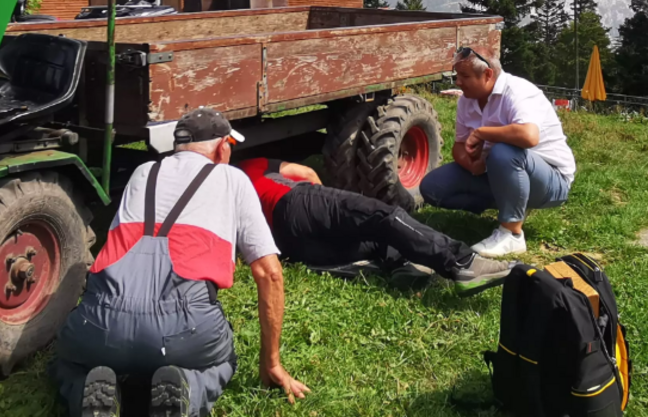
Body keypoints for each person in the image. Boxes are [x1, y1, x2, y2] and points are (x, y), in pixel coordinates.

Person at [51, 107, 309, 417]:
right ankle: (187, 387)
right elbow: (269, 274)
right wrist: (272, 363)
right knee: (221, 360)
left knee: (67, 360)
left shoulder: (143, 172)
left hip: (102, 316)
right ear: (222, 146)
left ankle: (85, 388)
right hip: (183, 326)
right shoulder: (232, 179)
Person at [237, 157, 513, 294]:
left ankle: (401, 263)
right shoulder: (251, 165)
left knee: (366, 241)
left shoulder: (218, 190)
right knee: (382, 217)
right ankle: (462, 263)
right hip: (294, 200)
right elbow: (306, 173)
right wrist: (329, 205)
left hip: (284, 242)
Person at [420, 47, 575, 257]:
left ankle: (511, 234)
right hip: (498, 171)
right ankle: (510, 204)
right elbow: (458, 146)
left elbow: (529, 137)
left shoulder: (519, 91)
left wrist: (484, 133)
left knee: (504, 152)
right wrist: (470, 164)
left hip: (551, 180)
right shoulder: (467, 100)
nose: (458, 82)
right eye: (457, 76)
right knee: (432, 187)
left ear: (487, 74)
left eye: (464, 76)